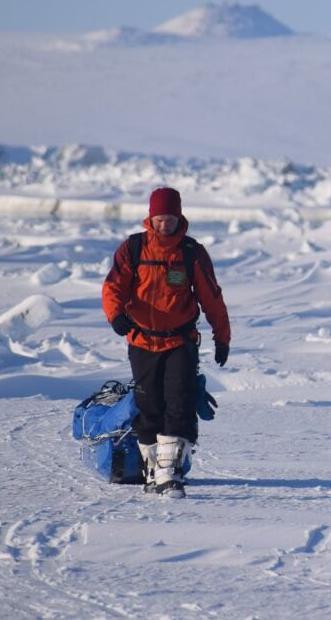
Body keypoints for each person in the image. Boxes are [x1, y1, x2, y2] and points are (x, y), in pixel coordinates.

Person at [102, 187, 231, 498]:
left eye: (170, 219)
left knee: (179, 402)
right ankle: (151, 469)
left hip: (180, 342)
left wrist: (222, 337)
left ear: (179, 217)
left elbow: (212, 298)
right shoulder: (133, 248)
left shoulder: (191, 252)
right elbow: (113, 286)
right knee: (149, 405)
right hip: (142, 341)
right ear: (151, 218)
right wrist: (116, 315)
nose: (164, 225)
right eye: (159, 219)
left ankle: (169, 471)